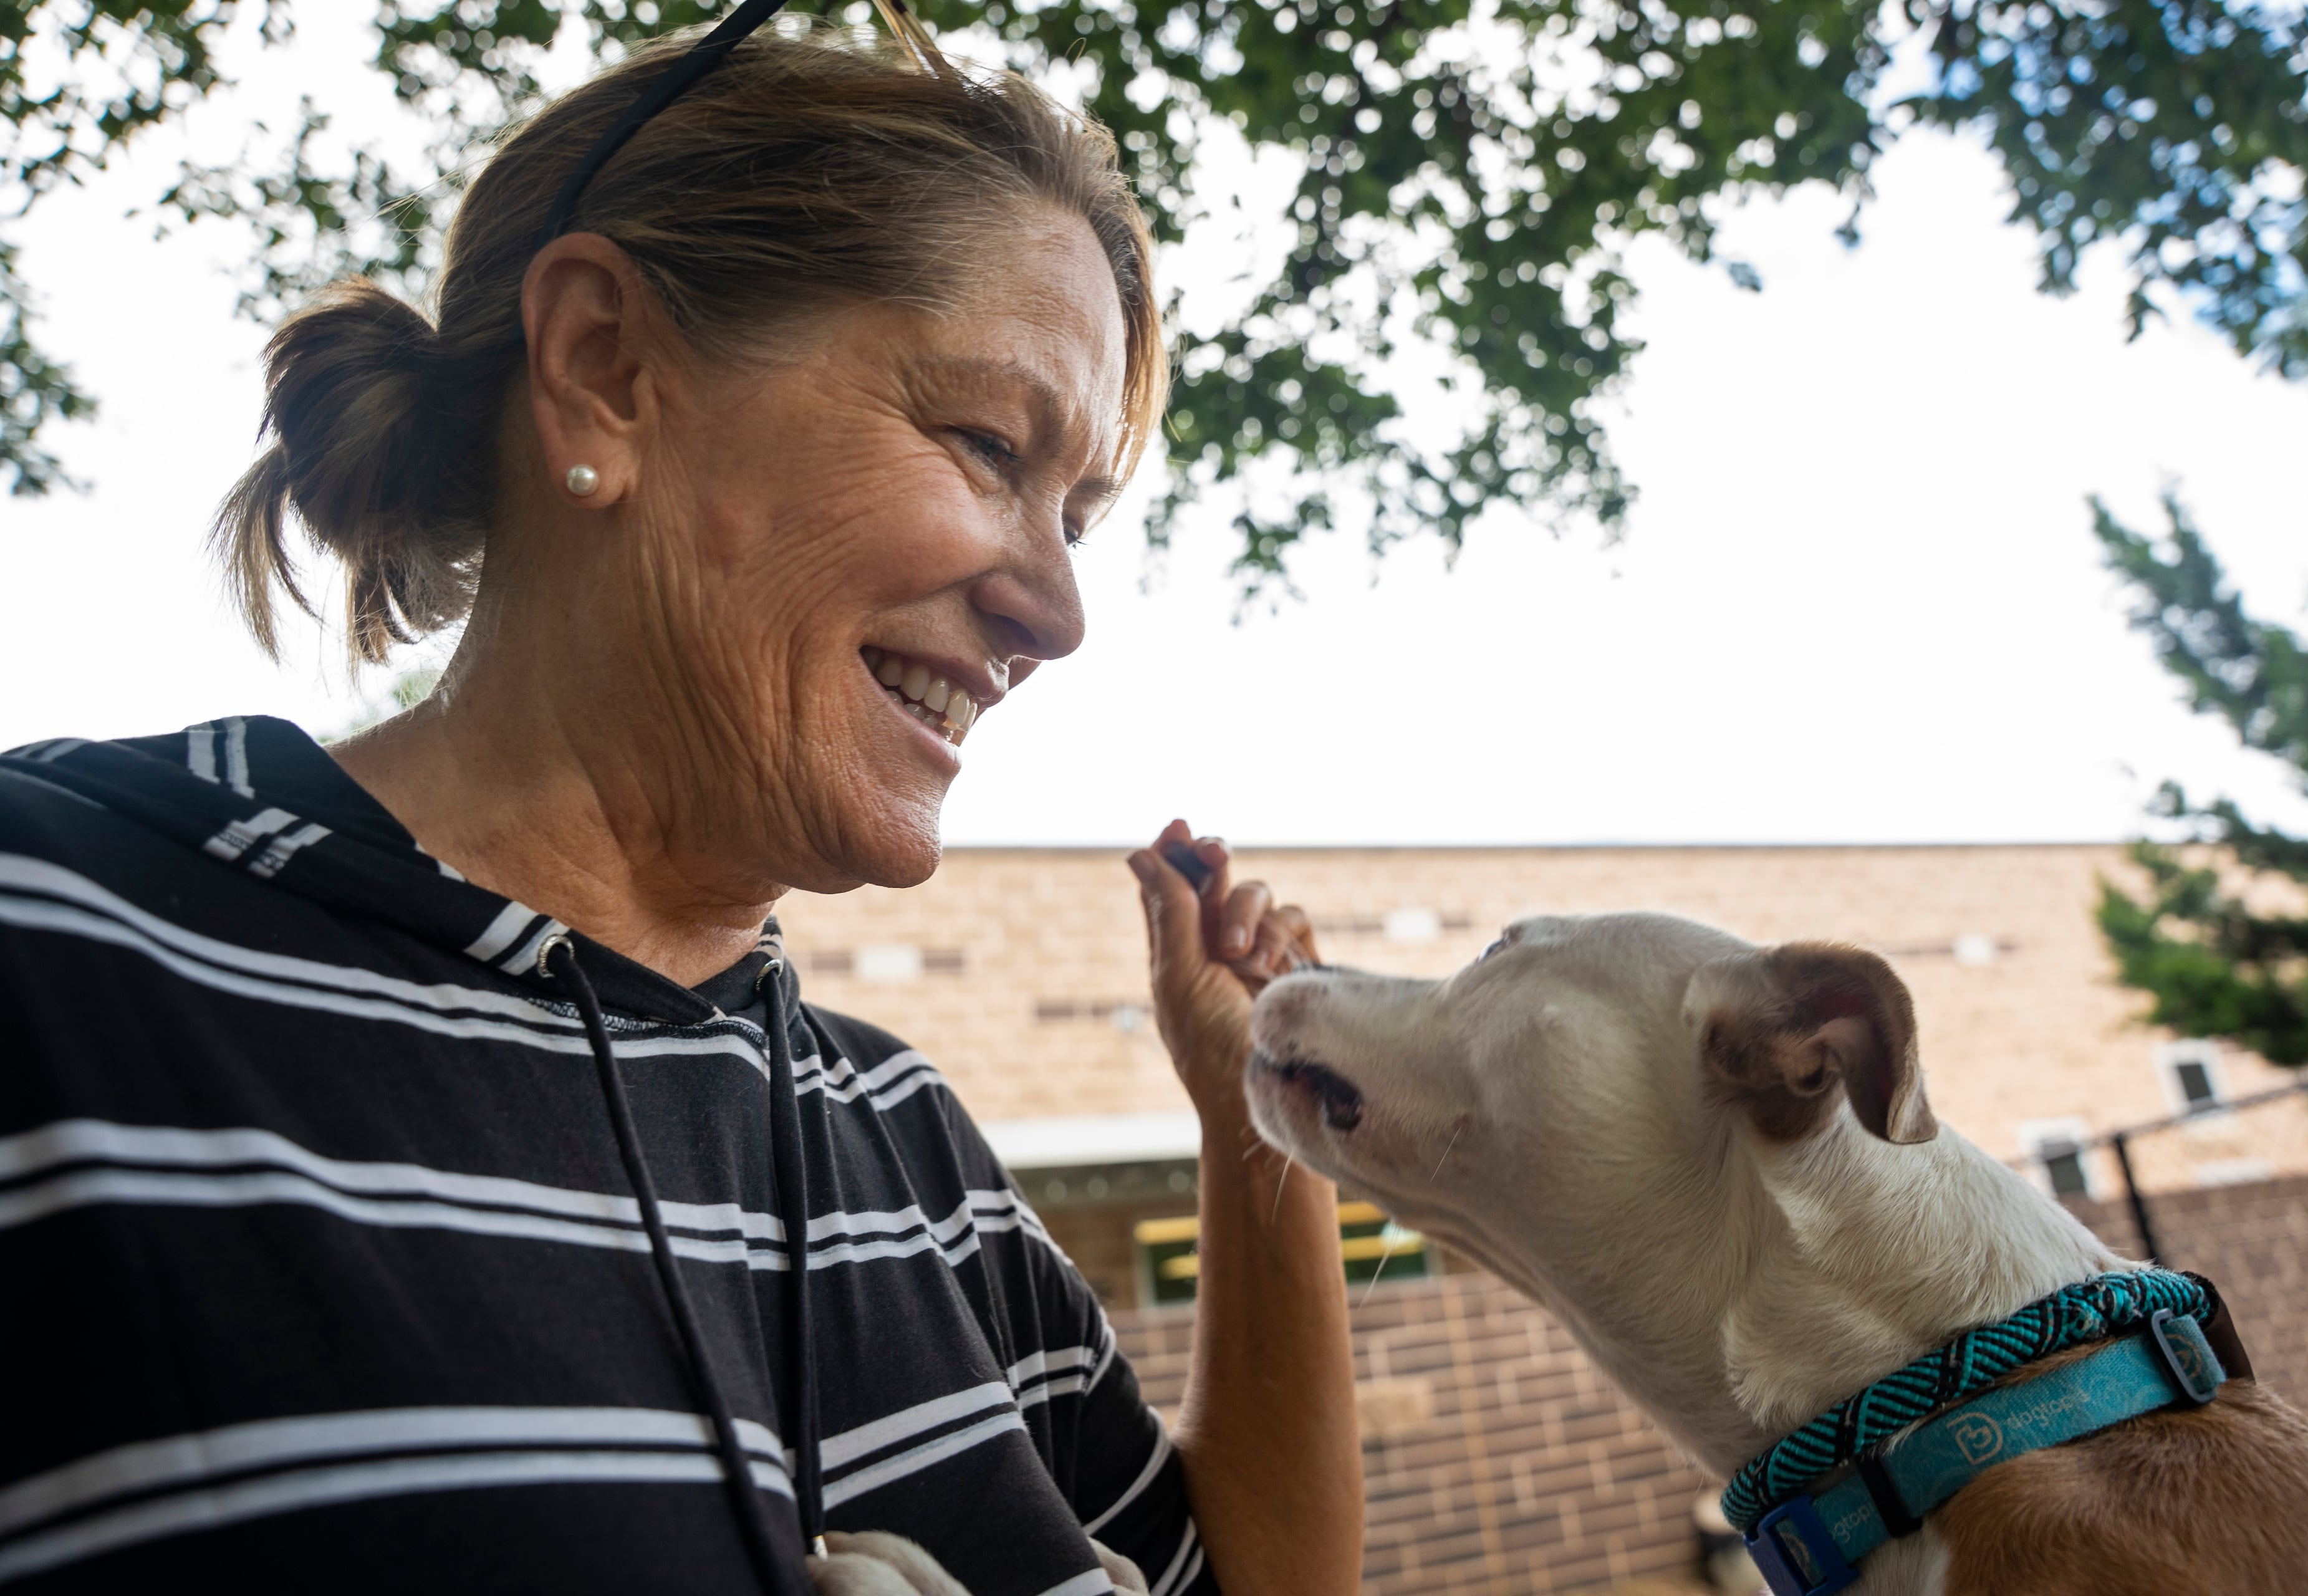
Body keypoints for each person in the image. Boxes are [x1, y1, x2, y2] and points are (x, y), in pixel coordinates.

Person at [0, 19, 1363, 1595]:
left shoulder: (905, 1144)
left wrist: (1257, 1114)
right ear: (605, 369)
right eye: (990, 444)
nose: (1061, 611)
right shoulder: (55, 937)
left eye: (1079, 514)